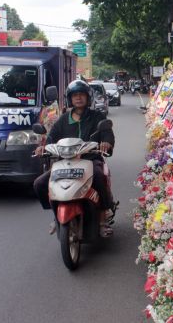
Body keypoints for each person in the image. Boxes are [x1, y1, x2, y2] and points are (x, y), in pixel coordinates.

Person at [33, 80, 117, 235]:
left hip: (90, 160)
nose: (78, 98)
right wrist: (42, 148)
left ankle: (103, 215)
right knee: (40, 183)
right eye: (75, 95)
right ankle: (55, 214)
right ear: (69, 99)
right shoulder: (63, 120)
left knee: (99, 177)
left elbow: (107, 133)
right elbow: (51, 138)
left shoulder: (97, 116)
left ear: (88, 97)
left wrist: (106, 143)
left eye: (82, 95)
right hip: (65, 162)